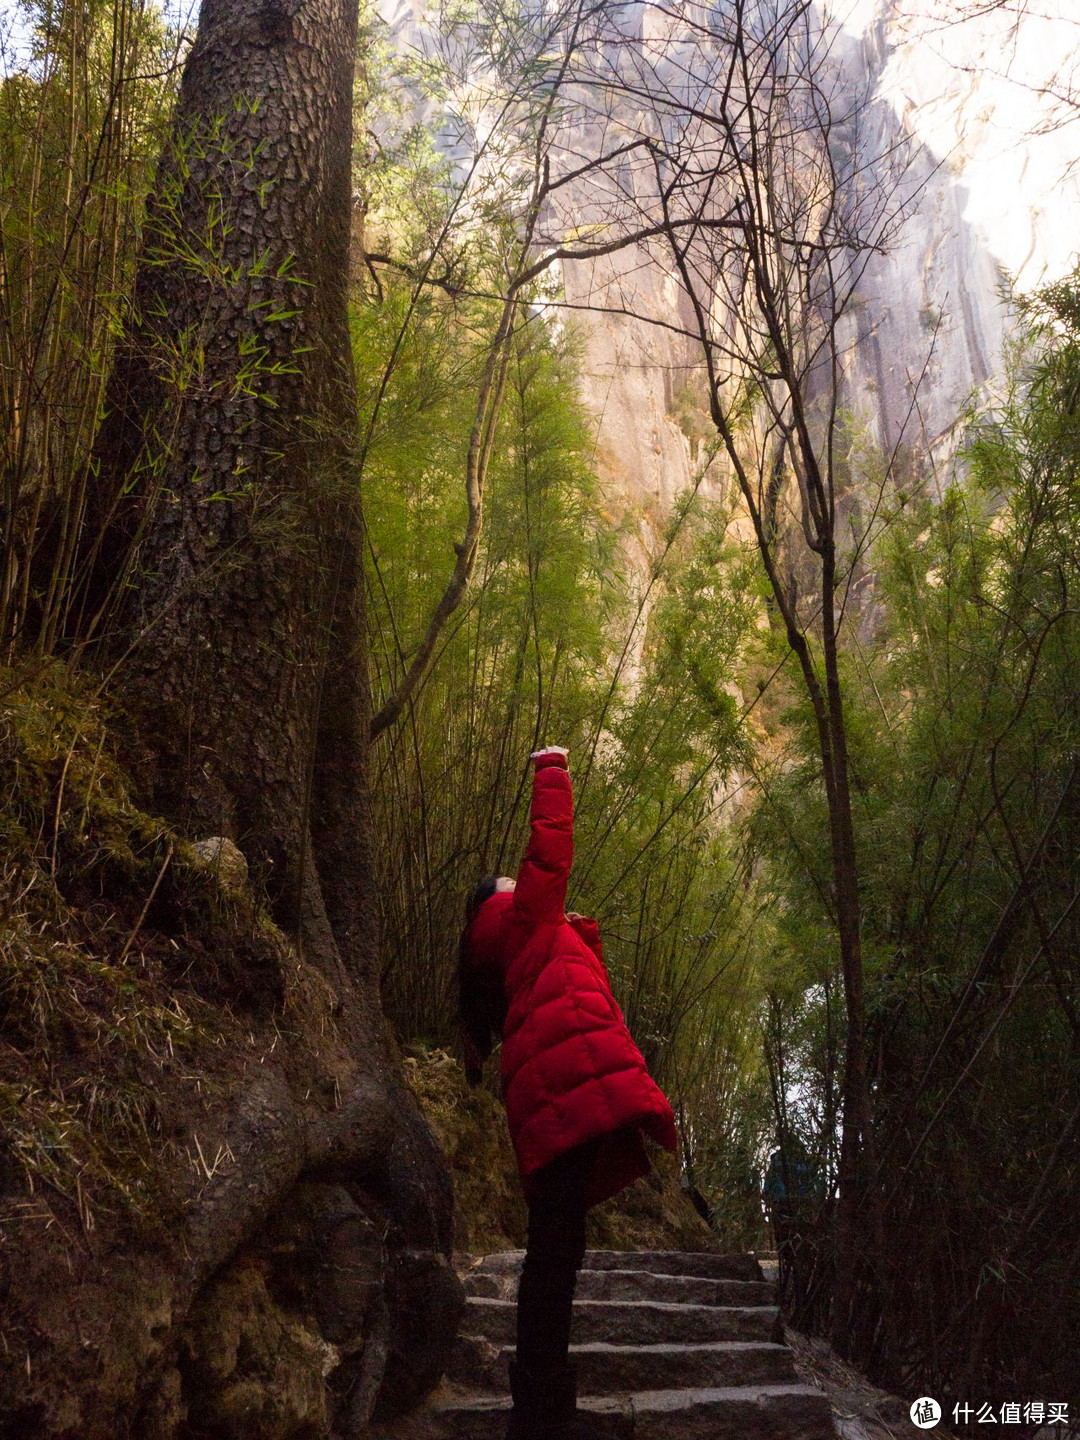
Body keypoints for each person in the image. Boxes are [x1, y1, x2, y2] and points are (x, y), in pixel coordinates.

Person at [459, 746, 679, 1440]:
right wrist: (551, 767)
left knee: (558, 1246)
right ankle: (542, 1409)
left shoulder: (521, 950)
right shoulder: (520, 921)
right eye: (506, 881)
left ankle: (545, 1401)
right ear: (496, 901)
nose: (513, 880)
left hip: (554, 1093)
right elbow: (550, 853)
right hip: (563, 1090)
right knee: (556, 1251)